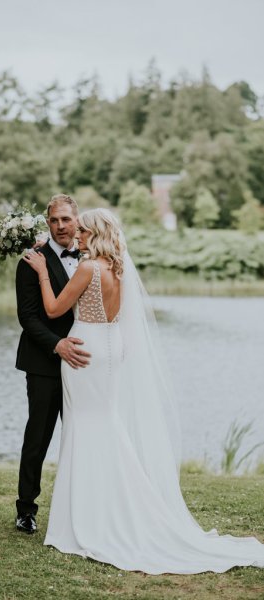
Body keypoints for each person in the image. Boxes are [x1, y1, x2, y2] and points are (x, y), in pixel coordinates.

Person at [23, 207, 264, 574]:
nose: (78, 235)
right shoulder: (118, 267)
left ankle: (91, 517)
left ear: (96, 232)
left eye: (83, 230)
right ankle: (109, 507)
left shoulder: (89, 267)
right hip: (112, 347)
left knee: (86, 426)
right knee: (105, 423)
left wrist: (42, 273)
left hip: (85, 351)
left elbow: (55, 310)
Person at [15, 194, 91, 534]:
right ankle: (26, 509)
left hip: (84, 363)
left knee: (84, 434)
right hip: (44, 362)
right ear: (48, 223)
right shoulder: (32, 260)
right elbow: (28, 318)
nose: (61, 226)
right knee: (38, 436)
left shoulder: (92, 256)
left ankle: (84, 505)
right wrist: (56, 344)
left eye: (66, 219)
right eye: (54, 220)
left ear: (77, 220)